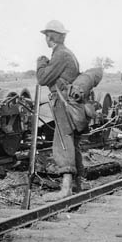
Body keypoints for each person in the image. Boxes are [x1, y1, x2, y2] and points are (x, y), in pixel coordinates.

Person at [36, 20, 83, 200]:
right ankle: (76, 184)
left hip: (64, 103)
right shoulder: (67, 53)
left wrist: (41, 63)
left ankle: (66, 188)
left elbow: (42, 78)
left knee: (63, 141)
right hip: (71, 103)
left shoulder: (60, 55)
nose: (45, 39)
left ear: (51, 36)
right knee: (71, 140)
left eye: (47, 35)